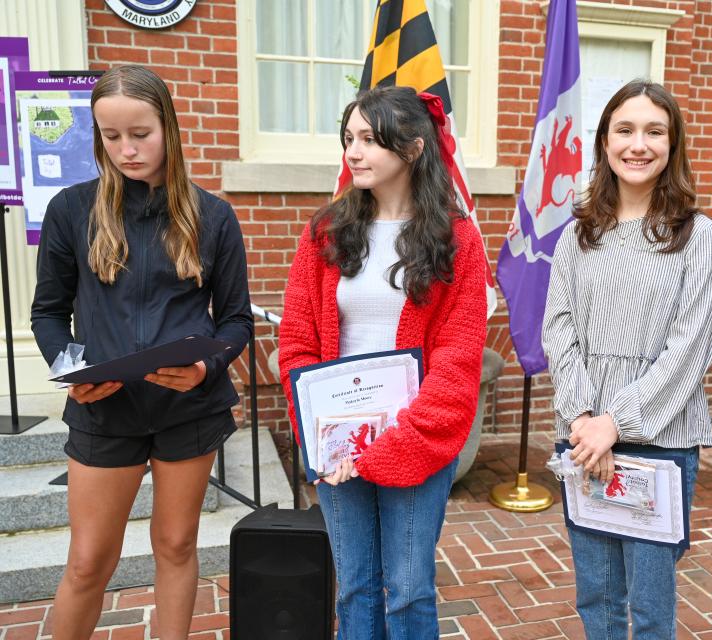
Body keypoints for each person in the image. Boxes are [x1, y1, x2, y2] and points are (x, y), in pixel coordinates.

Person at [31, 65, 252, 639]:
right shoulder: (71, 210)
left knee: (176, 545)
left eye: (140, 134)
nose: (126, 150)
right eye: (111, 136)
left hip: (189, 408)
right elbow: (48, 312)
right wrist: (69, 368)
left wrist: (206, 365)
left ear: (168, 129)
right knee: (87, 562)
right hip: (104, 409)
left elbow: (235, 320)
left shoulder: (213, 216)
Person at [278, 85, 487, 640]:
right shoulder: (325, 233)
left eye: (370, 139)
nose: (354, 152)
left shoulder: (457, 240)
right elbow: (297, 341)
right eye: (349, 138)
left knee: (409, 586)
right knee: (354, 586)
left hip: (416, 439)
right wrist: (322, 438)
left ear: (414, 147)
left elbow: (457, 358)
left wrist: (395, 441)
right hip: (338, 443)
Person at [542, 79, 712, 640]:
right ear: (605, 141)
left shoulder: (698, 236)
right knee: (596, 595)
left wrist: (615, 423)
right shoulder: (578, 234)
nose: (638, 145)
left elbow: (691, 347)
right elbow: (558, 327)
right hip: (581, 435)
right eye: (624, 130)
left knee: (649, 605)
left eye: (654, 132)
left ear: (673, 144)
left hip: (659, 438)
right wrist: (583, 419)